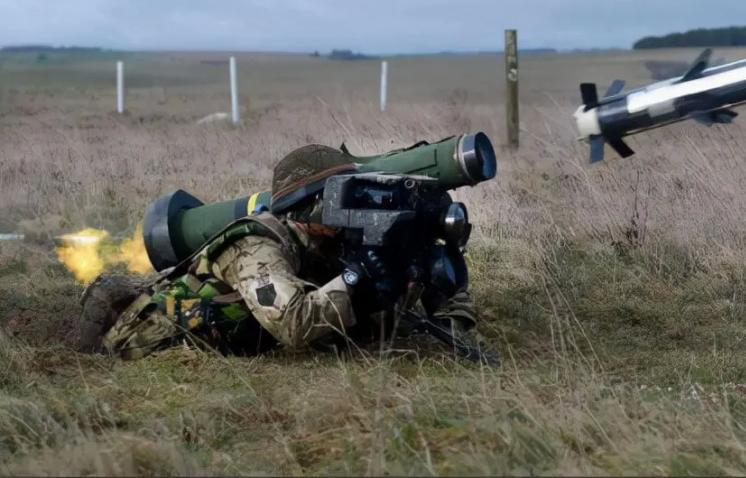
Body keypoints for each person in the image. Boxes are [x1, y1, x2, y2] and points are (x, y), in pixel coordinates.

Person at [75, 144, 482, 360]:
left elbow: (361, 323)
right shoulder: (256, 246)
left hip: (239, 343)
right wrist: (357, 278)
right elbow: (295, 325)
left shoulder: (324, 242)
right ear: (307, 208)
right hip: (146, 346)